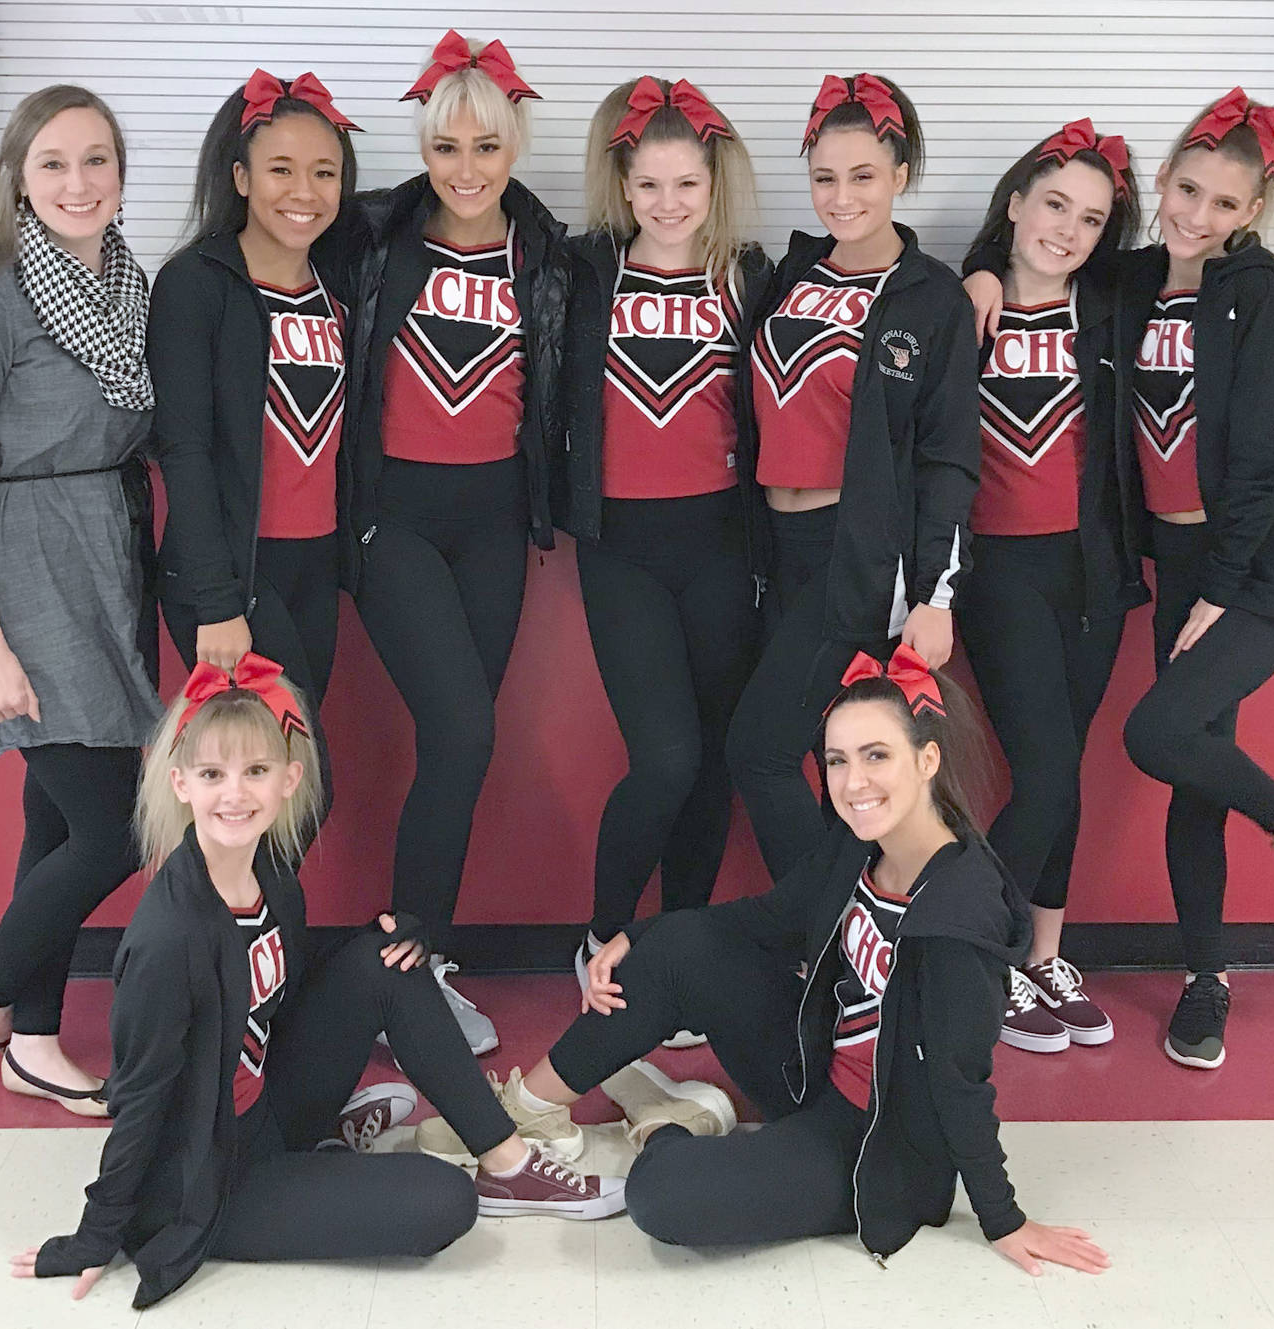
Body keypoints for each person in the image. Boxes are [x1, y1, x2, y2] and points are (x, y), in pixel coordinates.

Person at [417, 647, 1108, 1277]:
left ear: (927, 760)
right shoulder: (859, 843)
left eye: (876, 756)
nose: (852, 781)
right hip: (809, 1069)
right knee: (678, 945)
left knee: (663, 1201)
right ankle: (525, 1111)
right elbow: (774, 918)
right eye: (836, 760)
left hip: (873, 1142)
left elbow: (962, 1081)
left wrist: (1003, 1218)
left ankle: (667, 1120)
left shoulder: (959, 913)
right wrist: (642, 936)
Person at [10, 655, 624, 1309]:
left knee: (388, 955)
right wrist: (95, 1234)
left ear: (288, 780)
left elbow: (277, 980)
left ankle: (507, 1167)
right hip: (212, 1178)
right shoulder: (169, 940)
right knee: (441, 1202)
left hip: (264, 1109)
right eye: (213, 774)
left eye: (255, 772)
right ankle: (321, 1158)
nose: (234, 794)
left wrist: (387, 936)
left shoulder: (269, 872)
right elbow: (138, 1100)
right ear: (181, 782)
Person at [965, 88, 1274, 1070]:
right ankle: (1206, 978)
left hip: (1260, 568)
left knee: (1159, 733)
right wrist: (972, 273)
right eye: (1185, 190)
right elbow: (1032, 250)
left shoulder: (1257, 298)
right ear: (1164, 182)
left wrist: (1218, 586)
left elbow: (1261, 460)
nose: (1196, 215)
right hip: (1174, 564)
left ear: (1250, 214)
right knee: (1190, 764)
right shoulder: (1130, 285)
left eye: (1223, 204)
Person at [0, 85, 163, 1115]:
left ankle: (36, 1041)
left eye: (96, 160)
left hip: (107, 553)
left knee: (56, 825)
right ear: (17, 175)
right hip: (25, 572)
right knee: (118, 828)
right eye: (53, 162)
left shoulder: (122, 286)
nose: (77, 182)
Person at [335, 31, 568, 1054]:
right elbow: (255, 260)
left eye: (485, 147)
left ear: (514, 144)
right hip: (395, 523)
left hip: (493, 524)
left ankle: (416, 964)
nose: (465, 170)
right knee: (464, 734)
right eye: (445, 148)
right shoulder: (372, 235)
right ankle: (411, 964)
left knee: (457, 750)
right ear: (421, 149)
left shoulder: (548, 250)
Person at [725, 73, 980, 881]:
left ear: (900, 177)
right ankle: (852, 940)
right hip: (777, 551)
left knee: (758, 753)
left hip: (856, 560)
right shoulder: (790, 273)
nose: (841, 197)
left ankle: (822, 932)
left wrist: (937, 596)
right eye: (824, 177)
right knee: (827, 761)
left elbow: (947, 455)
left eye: (863, 176)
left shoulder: (931, 296)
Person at [560, 77, 771, 1043]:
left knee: (717, 758)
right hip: (622, 552)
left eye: (687, 183)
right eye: (650, 184)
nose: (670, 203)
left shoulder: (753, 273)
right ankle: (603, 933)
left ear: (715, 182)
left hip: (724, 545)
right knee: (666, 756)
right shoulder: (581, 271)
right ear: (623, 183)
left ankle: (679, 941)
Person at [953, 120, 1145, 1054]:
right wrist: (985, 267)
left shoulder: (1110, 308)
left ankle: (1040, 955)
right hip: (999, 572)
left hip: (1093, 570)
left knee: (1062, 768)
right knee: (1046, 771)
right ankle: (972, 961)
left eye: (1091, 218)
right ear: (1016, 203)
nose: (1066, 230)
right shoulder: (962, 305)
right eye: (1054, 204)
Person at [147, 69, 362, 832]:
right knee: (296, 788)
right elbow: (184, 448)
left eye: (324, 171)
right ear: (239, 177)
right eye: (279, 169)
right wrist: (218, 600)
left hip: (313, 568)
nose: (303, 190)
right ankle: (213, 946)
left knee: (276, 797)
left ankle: (250, 948)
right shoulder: (195, 284)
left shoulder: (339, 286)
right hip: (232, 578)